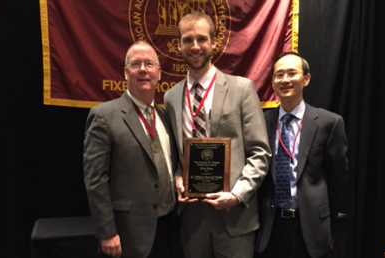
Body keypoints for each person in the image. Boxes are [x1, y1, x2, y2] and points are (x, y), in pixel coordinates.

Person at [163, 11, 271, 258]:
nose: (195, 46)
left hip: (235, 218)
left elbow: (260, 152)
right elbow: (177, 157)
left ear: (214, 42)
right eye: (188, 40)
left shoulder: (242, 89)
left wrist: (237, 194)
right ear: (178, 45)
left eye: (202, 39)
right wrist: (179, 179)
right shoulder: (171, 97)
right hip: (192, 220)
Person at [83, 41, 181, 258]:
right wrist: (106, 232)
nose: (143, 69)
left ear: (159, 73)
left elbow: (174, 163)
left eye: (149, 64)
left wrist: (178, 177)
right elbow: (96, 180)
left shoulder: (166, 116)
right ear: (126, 73)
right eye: (136, 64)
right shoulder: (104, 116)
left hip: (170, 227)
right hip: (130, 233)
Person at [254, 52, 348, 258]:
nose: (285, 80)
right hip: (271, 227)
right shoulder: (261, 122)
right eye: (279, 75)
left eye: (291, 73)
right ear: (272, 82)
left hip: (312, 226)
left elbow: (338, 179)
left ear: (306, 79)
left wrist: (330, 222)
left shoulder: (328, 123)